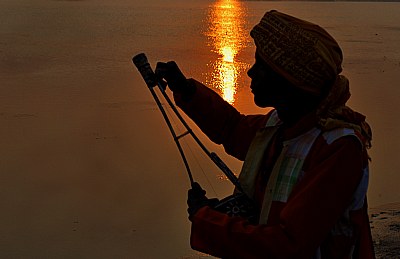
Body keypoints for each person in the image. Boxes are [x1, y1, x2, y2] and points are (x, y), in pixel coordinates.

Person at [156, 10, 375, 259]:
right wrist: (184, 88)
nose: (250, 72)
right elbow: (232, 129)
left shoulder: (338, 148)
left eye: (262, 65)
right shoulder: (280, 124)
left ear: (290, 80)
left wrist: (208, 220)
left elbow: (288, 245)